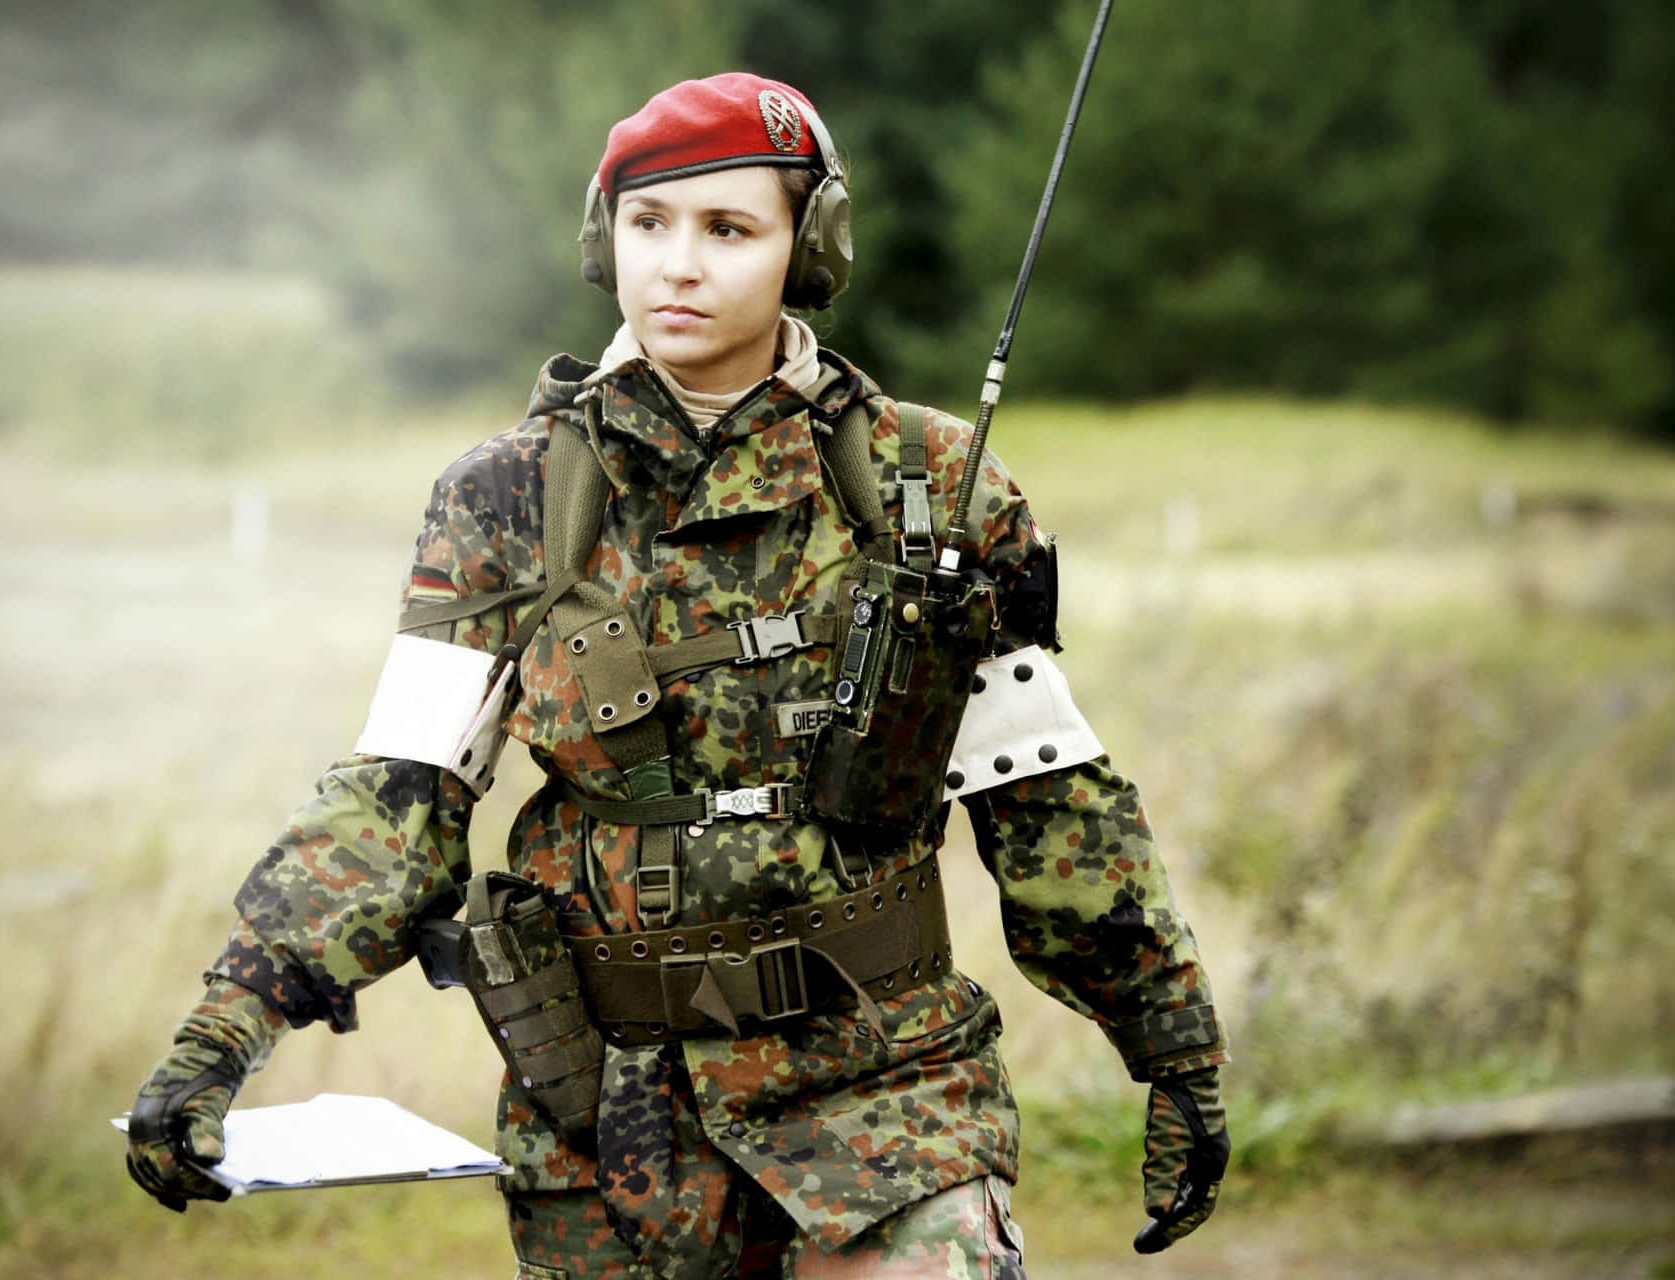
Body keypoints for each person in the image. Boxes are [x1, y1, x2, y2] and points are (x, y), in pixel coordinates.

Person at [126, 73, 1231, 1278]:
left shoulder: (932, 481)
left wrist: (1174, 1047)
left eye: (729, 229)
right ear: (607, 240)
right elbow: (397, 803)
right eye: (650, 224)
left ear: (806, 248)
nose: (680, 266)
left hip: (888, 1076)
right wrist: (224, 1029)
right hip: (615, 1118)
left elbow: (1048, 797)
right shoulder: (506, 497)